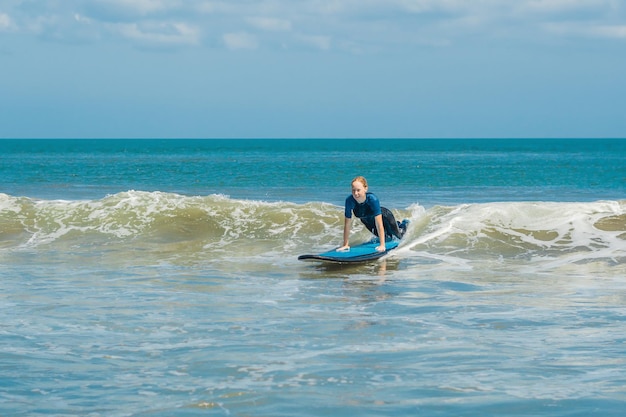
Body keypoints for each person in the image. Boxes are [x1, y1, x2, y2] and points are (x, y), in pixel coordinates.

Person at [338, 176, 406, 252]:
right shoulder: (349, 201)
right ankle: (397, 225)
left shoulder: (372, 199)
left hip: (385, 217)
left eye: (358, 190)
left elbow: (379, 224)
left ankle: (404, 224)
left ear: (365, 189)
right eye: (353, 190)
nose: (355, 193)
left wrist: (382, 245)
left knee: (398, 235)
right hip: (367, 221)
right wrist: (345, 245)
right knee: (386, 237)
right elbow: (347, 224)